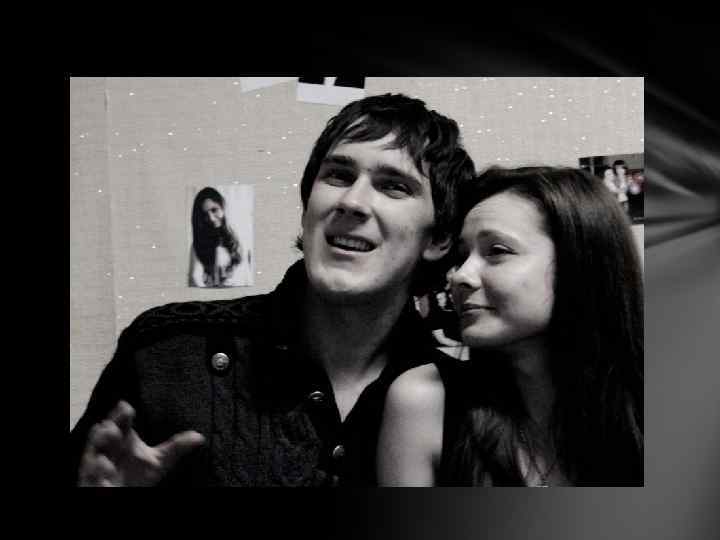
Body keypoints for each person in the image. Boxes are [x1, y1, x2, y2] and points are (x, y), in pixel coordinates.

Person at [70, 93, 476, 486]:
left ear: (439, 237)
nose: (352, 201)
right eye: (338, 175)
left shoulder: (465, 404)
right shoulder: (167, 353)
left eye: (393, 186)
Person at [378, 166, 643, 486]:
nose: (459, 276)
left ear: (580, 262)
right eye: (462, 256)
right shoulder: (426, 401)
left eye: (497, 251)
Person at [188, 186, 248, 287]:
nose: (211, 218)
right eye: (205, 215)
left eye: (214, 210)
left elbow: (245, 275)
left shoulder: (238, 237)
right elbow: (193, 278)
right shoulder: (197, 244)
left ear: (223, 207)